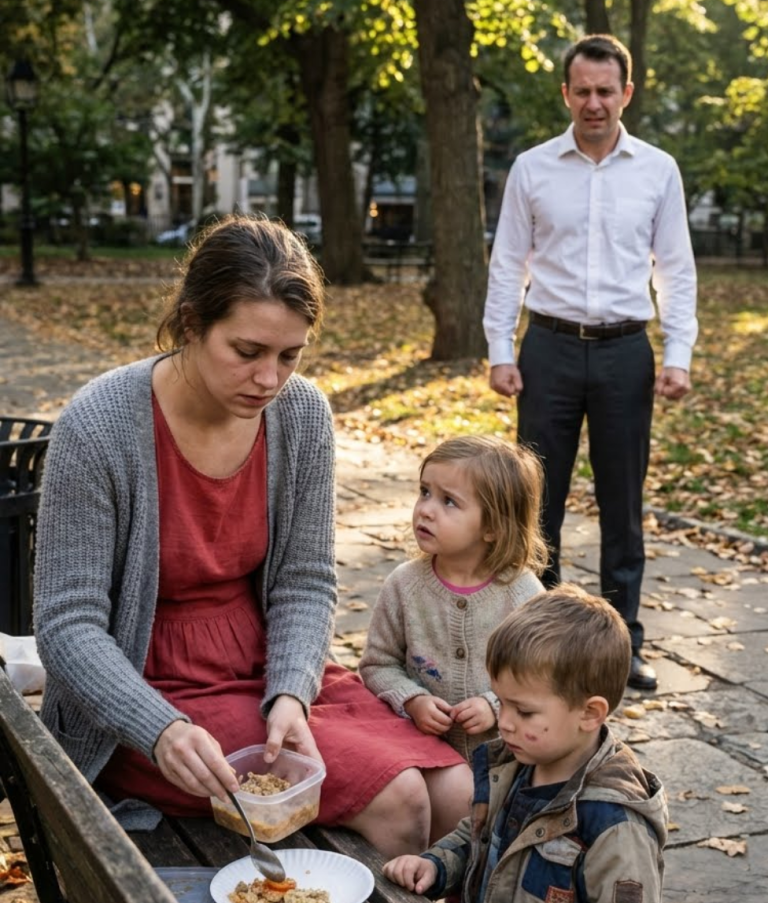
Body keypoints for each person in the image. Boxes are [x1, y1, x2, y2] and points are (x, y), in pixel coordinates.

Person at [33, 215, 473, 858]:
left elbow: (304, 580)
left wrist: (292, 690)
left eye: (290, 356)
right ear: (191, 325)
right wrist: (158, 730)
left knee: (459, 789)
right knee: (402, 798)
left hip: (270, 661)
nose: (269, 379)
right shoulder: (98, 426)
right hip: (145, 688)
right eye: (247, 351)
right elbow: (67, 623)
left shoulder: (301, 414)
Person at [482, 34, 698, 691]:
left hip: (625, 351)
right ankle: (537, 637)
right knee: (535, 502)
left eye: (607, 91)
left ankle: (621, 645)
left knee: (621, 502)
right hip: (546, 347)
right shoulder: (533, 168)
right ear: (566, 94)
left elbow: (677, 269)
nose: (594, 103)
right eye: (583, 91)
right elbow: (507, 263)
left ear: (627, 93)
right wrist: (500, 348)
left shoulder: (657, 169)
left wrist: (679, 352)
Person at [382, 585, 668, 902]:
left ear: (589, 713)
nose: (503, 722)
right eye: (500, 703)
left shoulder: (616, 827)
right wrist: (436, 865)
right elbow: (479, 837)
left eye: (524, 711)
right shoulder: (514, 764)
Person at [359, 436, 546, 762]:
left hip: (505, 759)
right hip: (421, 751)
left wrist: (495, 704)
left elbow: (545, 678)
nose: (426, 510)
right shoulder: (404, 585)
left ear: (492, 527)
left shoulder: (524, 595)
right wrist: (412, 699)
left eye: (449, 501)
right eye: (425, 492)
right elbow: (378, 664)